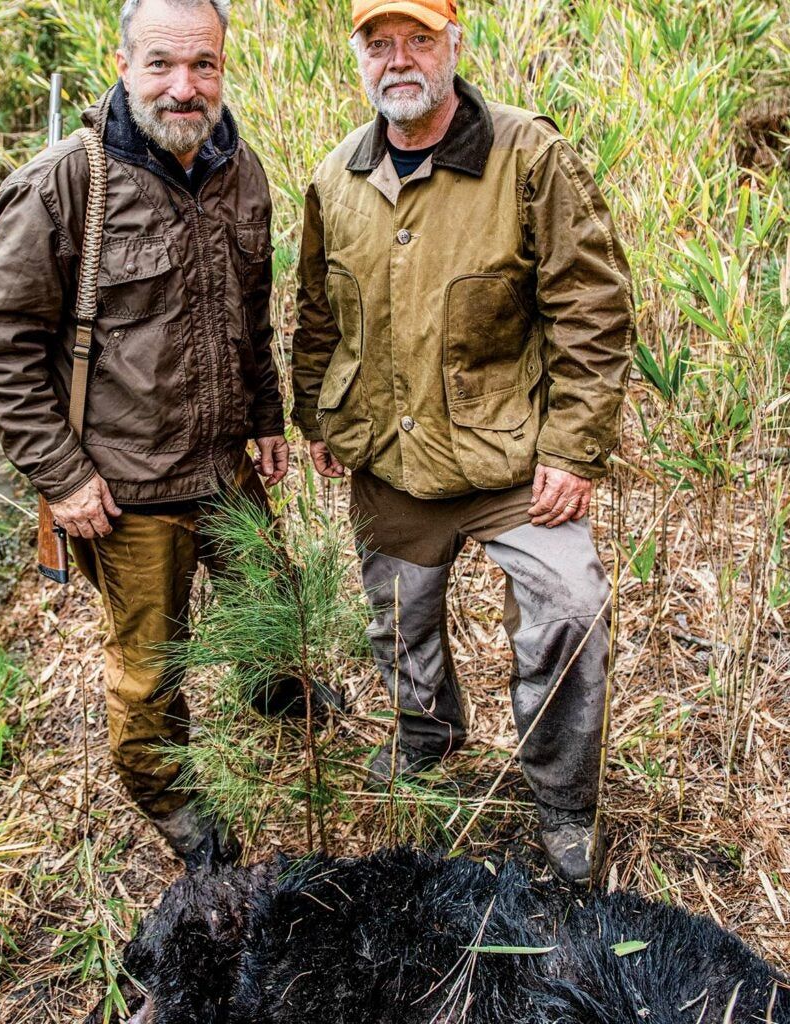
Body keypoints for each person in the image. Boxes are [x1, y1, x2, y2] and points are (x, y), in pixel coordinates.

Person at [291, 0, 635, 885]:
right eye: (380, 43)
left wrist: (573, 449)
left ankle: (562, 802)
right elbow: (318, 318)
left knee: (569, 605)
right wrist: (318, 419)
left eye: (418, 39)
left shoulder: (530, 156)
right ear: (360, 57)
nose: (398, 59)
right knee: (398, 626)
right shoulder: (335, 179)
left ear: (454, 43)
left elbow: (590, 309)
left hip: (512, 460)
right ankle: (428, 739)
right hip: (389, 461)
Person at [0, 0, 289, 870]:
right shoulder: (68, 184)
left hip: (225, 467)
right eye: (160, 65)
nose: (184, 88)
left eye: (203, 66)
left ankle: (277, 698)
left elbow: (249, 317)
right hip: (128, 491)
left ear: (224, 67)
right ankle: (184, 816)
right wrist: (64, 478)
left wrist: (267, 418)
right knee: (150, 679)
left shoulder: (238, 170)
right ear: (122, 64)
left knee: (281, 605)